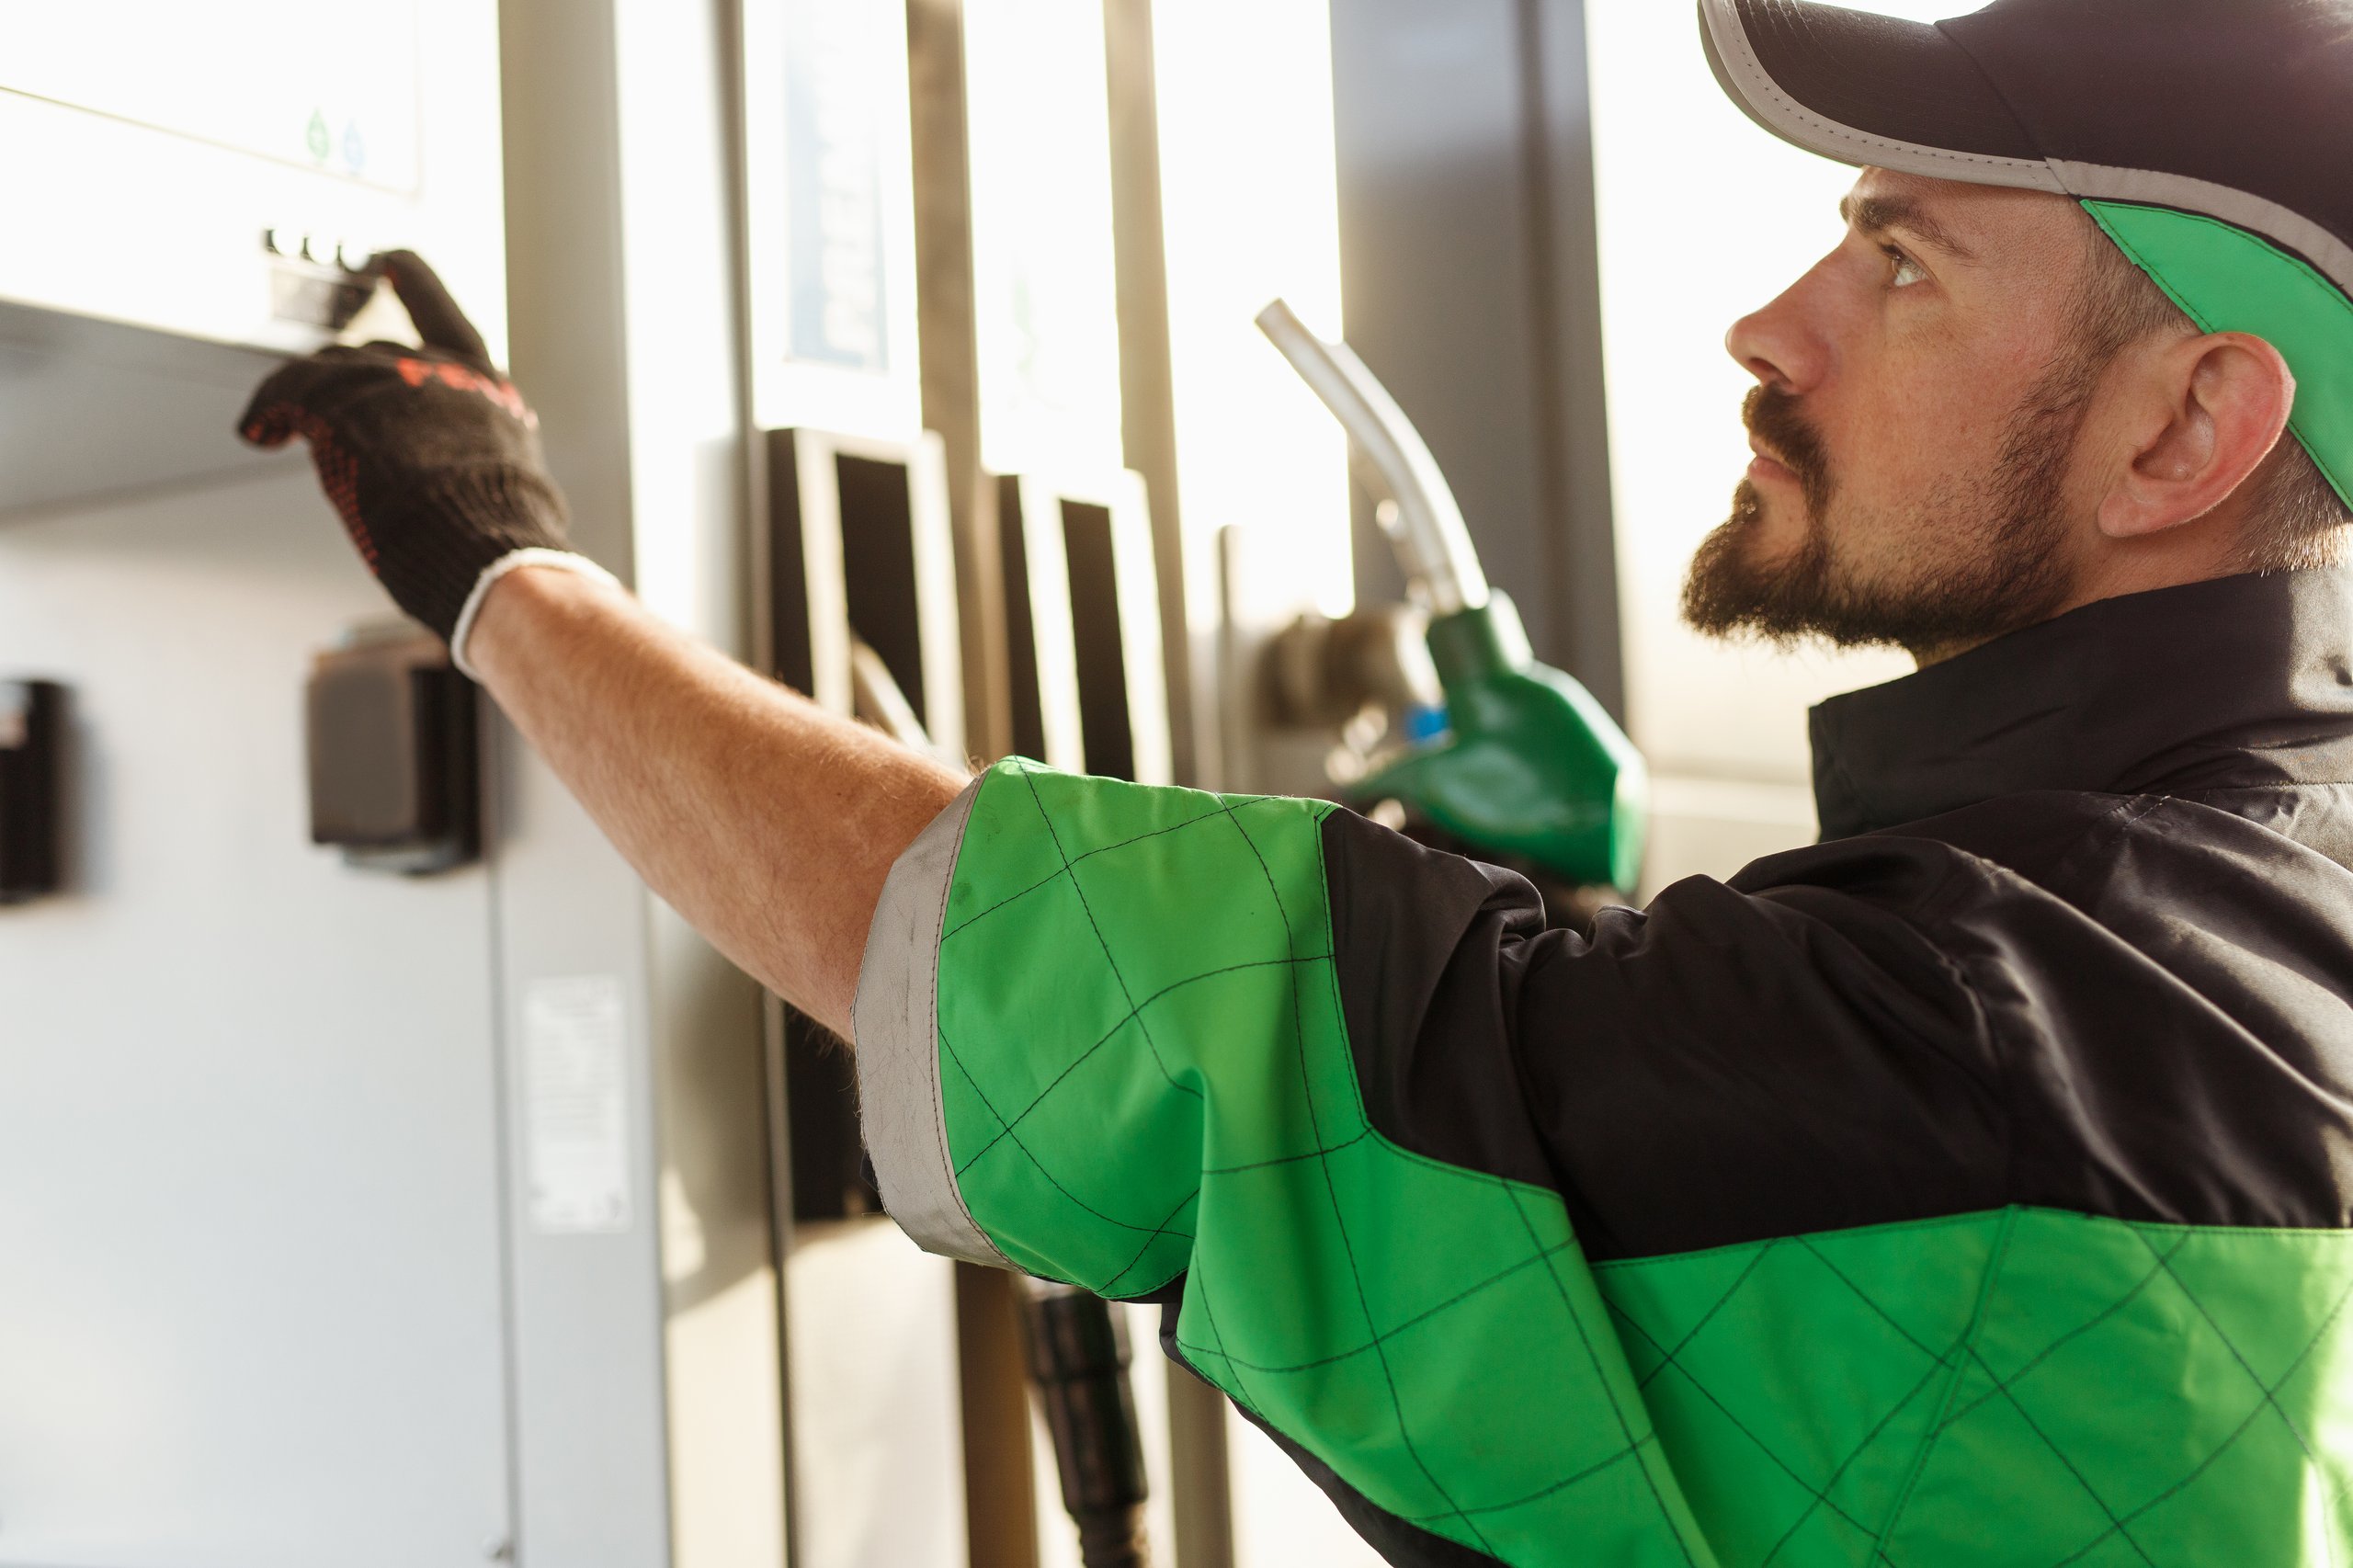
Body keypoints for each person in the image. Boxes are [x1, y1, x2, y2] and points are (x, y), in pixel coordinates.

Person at [240, 0, 2353, 1561]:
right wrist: (1605, 937)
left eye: (1900, 263)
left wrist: (507, 569)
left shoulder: (1973, 1019)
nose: (1763, 325)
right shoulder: (2242, 899)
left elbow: (1157, 1017)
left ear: (2183, 431)